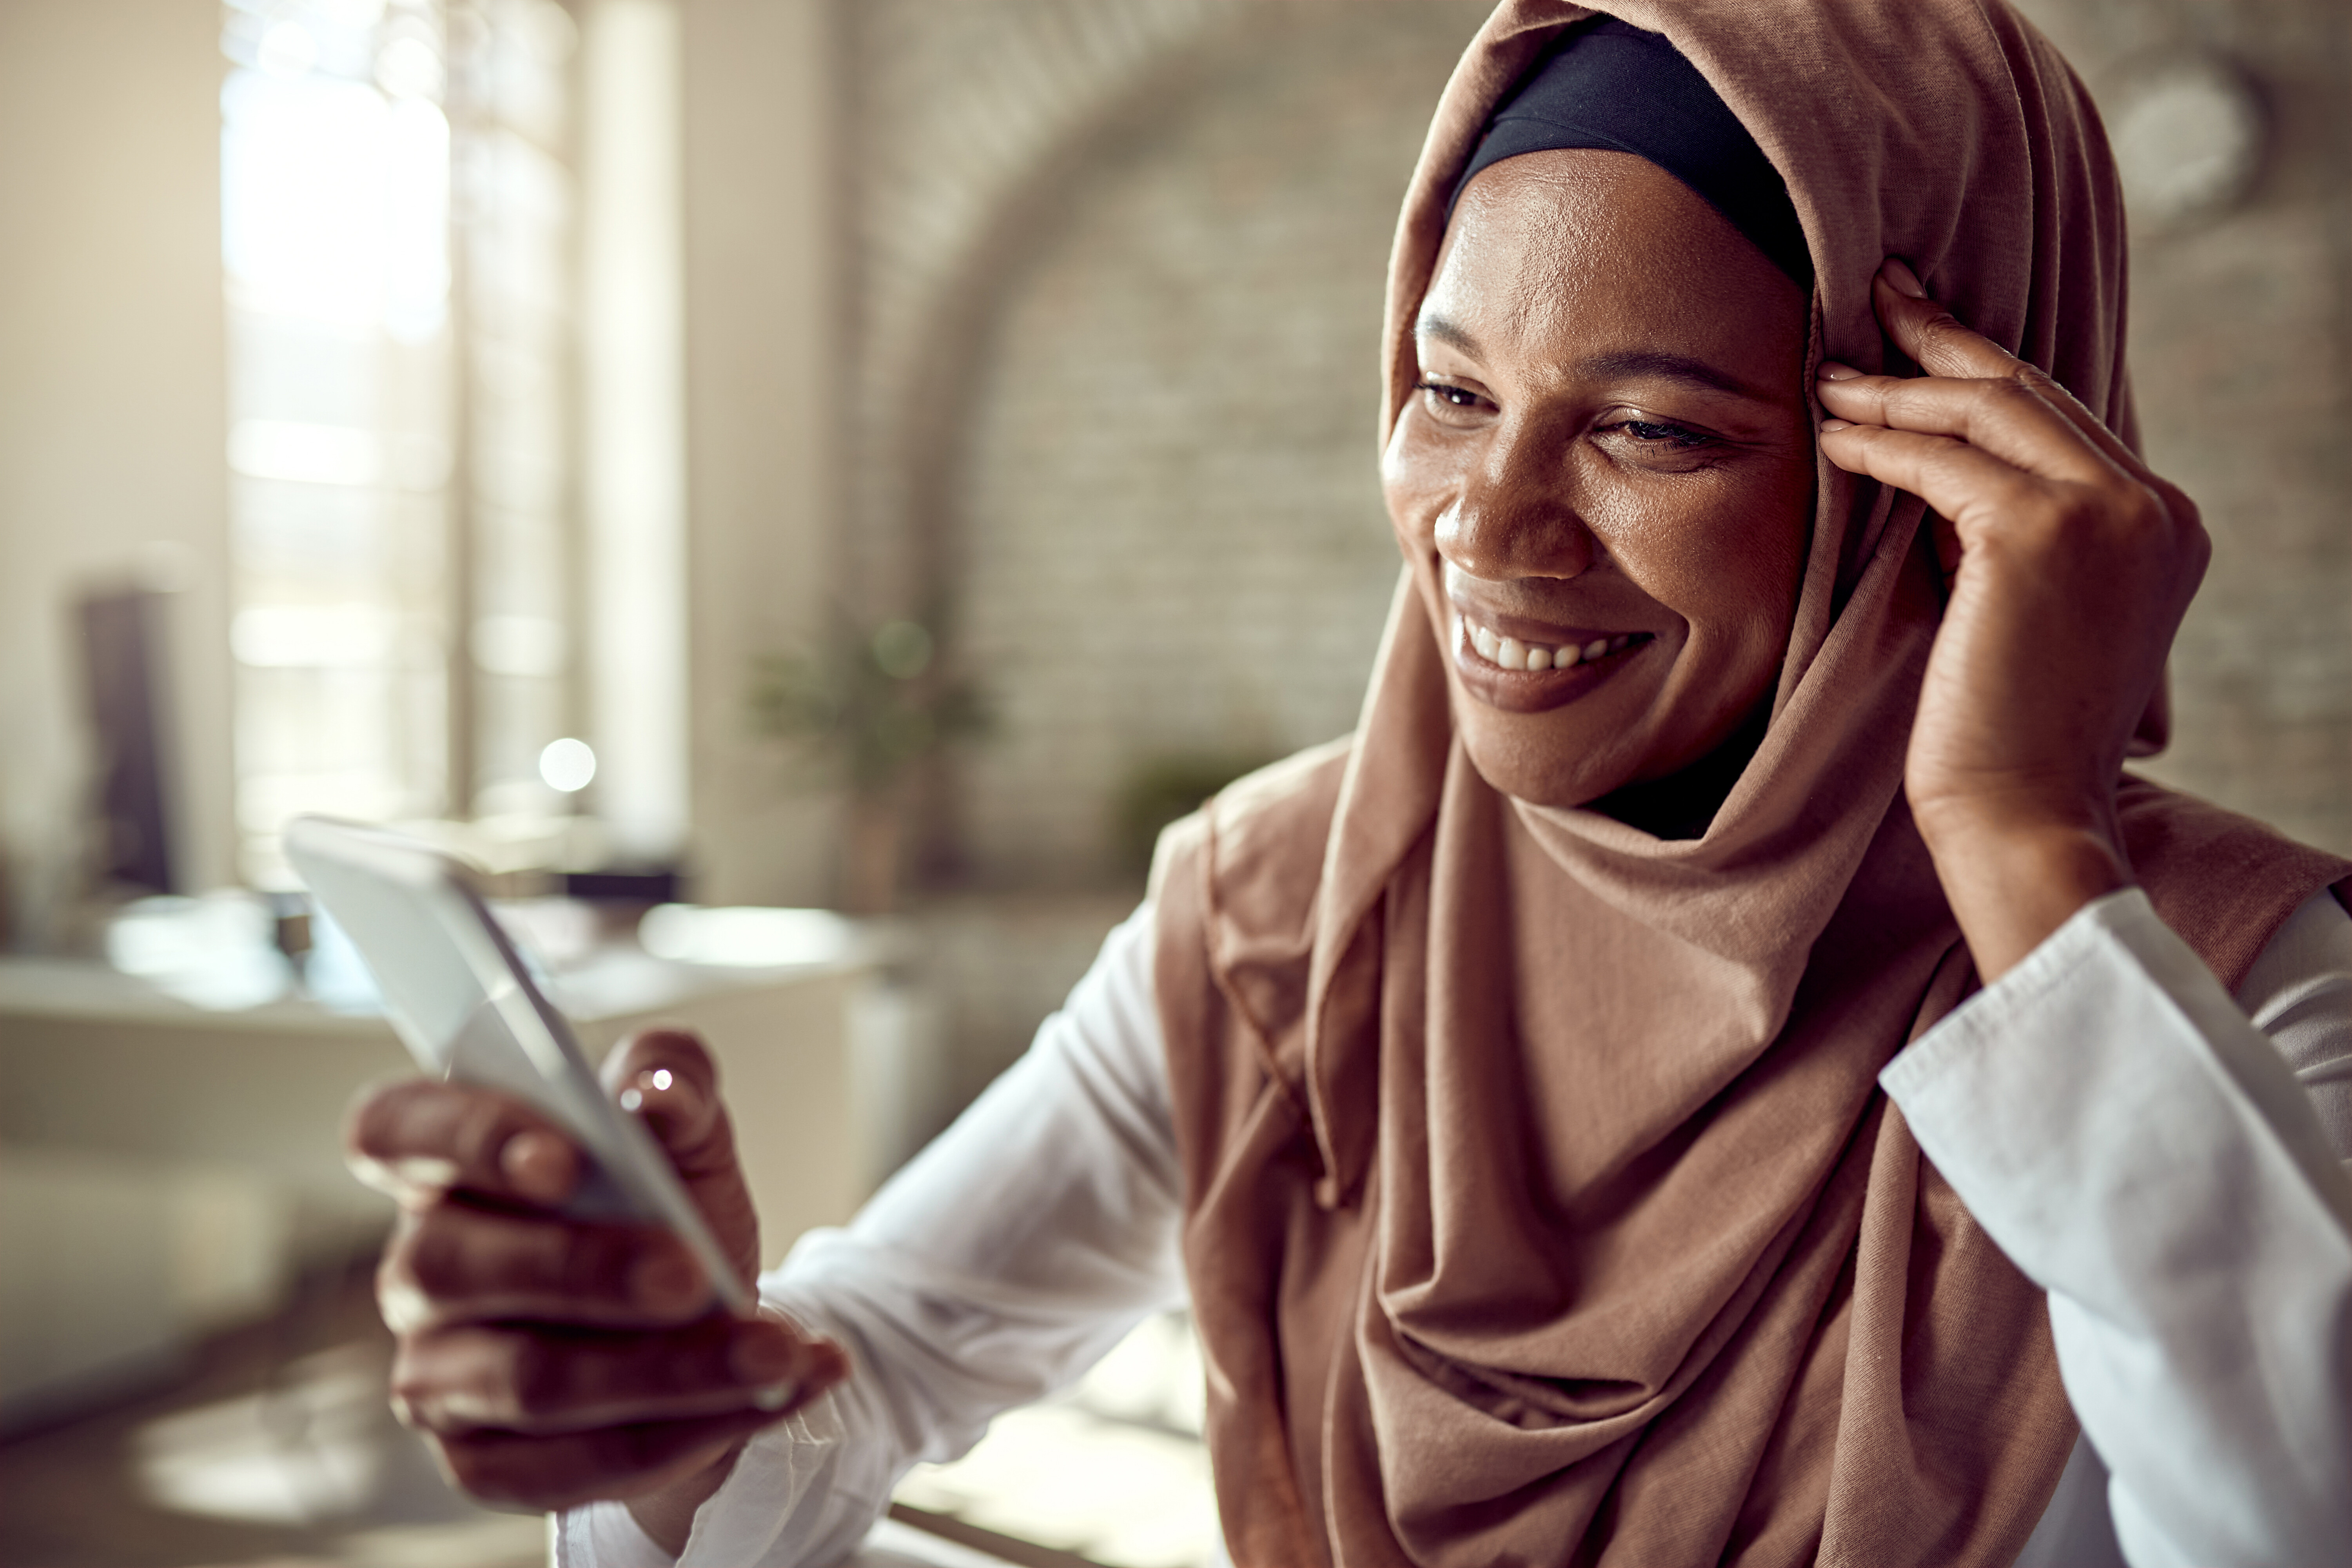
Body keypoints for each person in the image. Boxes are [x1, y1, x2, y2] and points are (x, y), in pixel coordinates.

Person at [345, 1, 2352, 1563]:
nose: (1486, 521)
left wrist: (2019, 833)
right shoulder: (1292, 908)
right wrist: (673, 1388)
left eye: (1652, 430)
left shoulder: (2234, 989)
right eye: (1451, 390)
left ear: (1936, 482)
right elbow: (871, 1363)